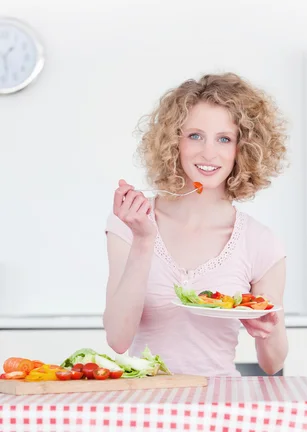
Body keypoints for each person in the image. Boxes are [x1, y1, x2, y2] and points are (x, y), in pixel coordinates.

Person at [103, 73, 288, 377]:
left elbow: (273, 363)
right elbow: (118, 340)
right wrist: (144, 240)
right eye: (195, 136)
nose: (208, 153)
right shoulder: (130, 224)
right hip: (146, 404)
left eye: (224, 139)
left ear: (244, 150)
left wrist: (266, 327)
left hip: (221, 407)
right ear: (173, 141)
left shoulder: (260, 242)